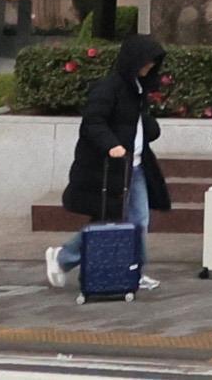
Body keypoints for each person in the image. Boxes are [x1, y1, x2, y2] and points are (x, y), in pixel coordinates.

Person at [49, 34, 168, 293]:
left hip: (135, 165)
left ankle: (134, 270)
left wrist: (148, 128)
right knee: (108, 221)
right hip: (110, 168)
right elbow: (93, 121)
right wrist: (111, 145)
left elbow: (137, 123)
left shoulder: (139, 90)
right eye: (147, 61)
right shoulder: (109, 88)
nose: (150, 66)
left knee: (138, 220)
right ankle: (63, 257)